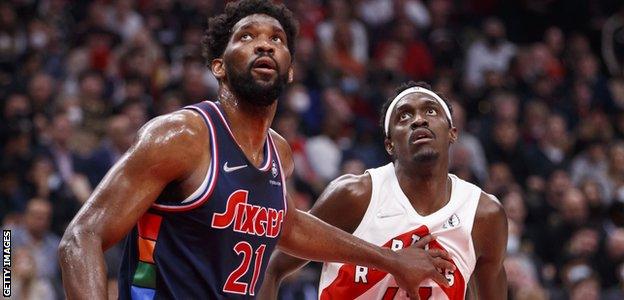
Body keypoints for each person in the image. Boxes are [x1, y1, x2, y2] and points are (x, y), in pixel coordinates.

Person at [58, 1, 455, 299]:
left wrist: (390, 259)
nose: (264, 45)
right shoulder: (182, 135)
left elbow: (286, 224)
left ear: (291, 69)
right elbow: (82, 237)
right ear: (219, 66)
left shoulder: (278, 153)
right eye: (246, 37)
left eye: (276, 39)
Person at [259, 81, 508, 299]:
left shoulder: (483, 214)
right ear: (389, 144)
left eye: (431, 111)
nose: (419, 119)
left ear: (452, 133)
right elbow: (272, 266)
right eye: (404, 116)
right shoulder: (355, 195)